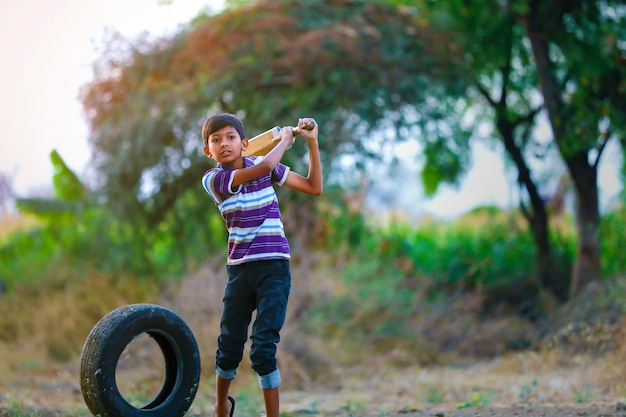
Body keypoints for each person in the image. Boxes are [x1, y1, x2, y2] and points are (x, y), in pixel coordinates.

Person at [200, 113, 322, 417]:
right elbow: (266, 165)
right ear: (208, 151)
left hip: (275, 268)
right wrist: (283, 141)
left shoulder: (263, 167)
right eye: (216, 140)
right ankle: (220, 406)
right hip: (240, 271)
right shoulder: (214, 179)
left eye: (230, 138)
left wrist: (312, 144)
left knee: (263, 348)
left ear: (244, 144)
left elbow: (313, 187)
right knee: (229, 344)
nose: (224, 144)